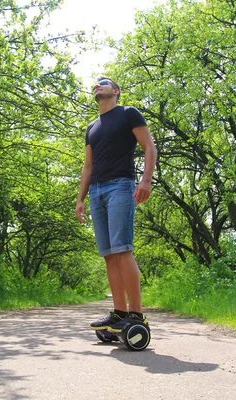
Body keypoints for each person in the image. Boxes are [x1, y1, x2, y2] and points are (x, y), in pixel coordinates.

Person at [75, 76, 157, 333]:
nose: (98, 85)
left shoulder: (128, 114)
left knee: (122, 250)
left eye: (104, 82)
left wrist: (145, 181)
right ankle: (120, 313)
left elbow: (149, 147)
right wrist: (80, 198)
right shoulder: (92, 127)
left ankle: (137, 315)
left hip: (120, 186)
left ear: (116, 91)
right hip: (96, 191)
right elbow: (88, 166)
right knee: (109, 255)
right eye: (96, 83)